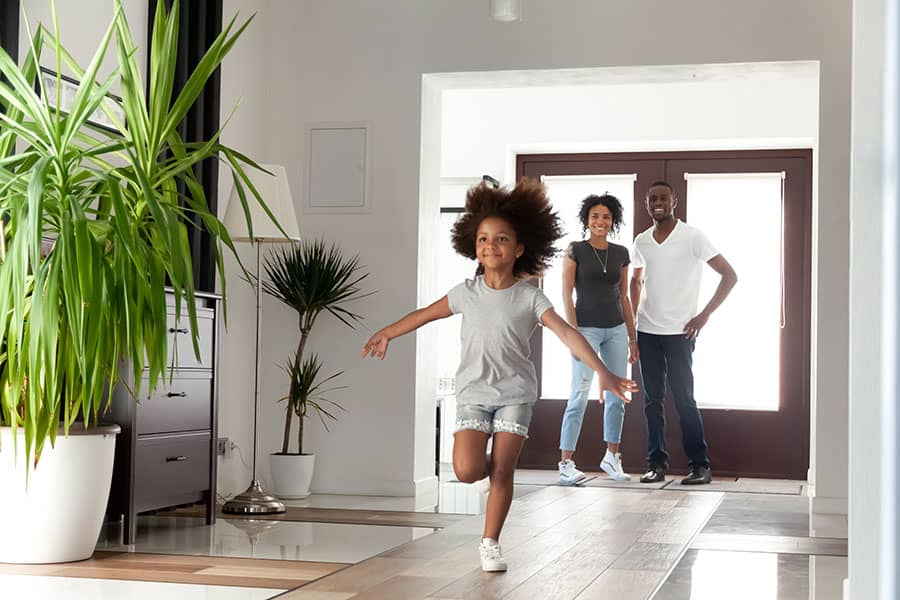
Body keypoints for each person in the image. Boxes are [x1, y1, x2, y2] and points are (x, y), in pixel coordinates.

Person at [362, 179, 638, 573]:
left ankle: (490, 542)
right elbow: (423, 314)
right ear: (474, 246)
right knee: (468, 470)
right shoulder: (465, 292)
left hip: (515, 394)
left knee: (503, 470)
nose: (491, 246)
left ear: (520, 248)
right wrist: (388, 331)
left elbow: (566, 333)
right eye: (483, 239)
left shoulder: (529, 297)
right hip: (474, 394)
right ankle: (488, 464)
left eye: (502, 239)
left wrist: (605, 373)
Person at [629, 181, 737, 485]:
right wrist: (633, 325)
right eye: (653, 199)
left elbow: (730, 275)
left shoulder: (693, 237)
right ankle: (656, 465)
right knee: (652, 401)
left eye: (664, 197)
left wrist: (704, 315)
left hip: (680, 333)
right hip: (647, 331)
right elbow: (635, 282)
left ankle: (699, 465)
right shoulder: (642, 241)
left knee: (684, 398)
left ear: (674, 201)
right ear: (647, 204)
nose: (658, 203)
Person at [558, 193, 638, 485]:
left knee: (618, 393)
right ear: (586, 220)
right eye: (595, 217)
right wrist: (573, 335)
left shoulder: (621, 253)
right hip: (586, 330)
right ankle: (566, 462)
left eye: (605, 217)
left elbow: (624, 296)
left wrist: (632, 337)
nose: (600, 221)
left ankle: (611, 456)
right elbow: (567, 294)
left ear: (612, 221)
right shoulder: (575, 250)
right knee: (579, 394)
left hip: (616, 329)